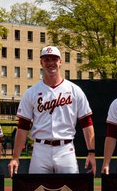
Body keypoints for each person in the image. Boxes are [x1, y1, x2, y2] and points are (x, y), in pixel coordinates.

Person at [8, 46, 95, 175]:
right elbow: (22, 127)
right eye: (46, 59)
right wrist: (15, 157)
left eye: (54, 59)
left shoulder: (74, 90)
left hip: (66, 149)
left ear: (60, 62)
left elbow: (86, 123)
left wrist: (91, 152)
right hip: (40, 150)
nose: (50, 63)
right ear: (41, 62)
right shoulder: (31, 92)